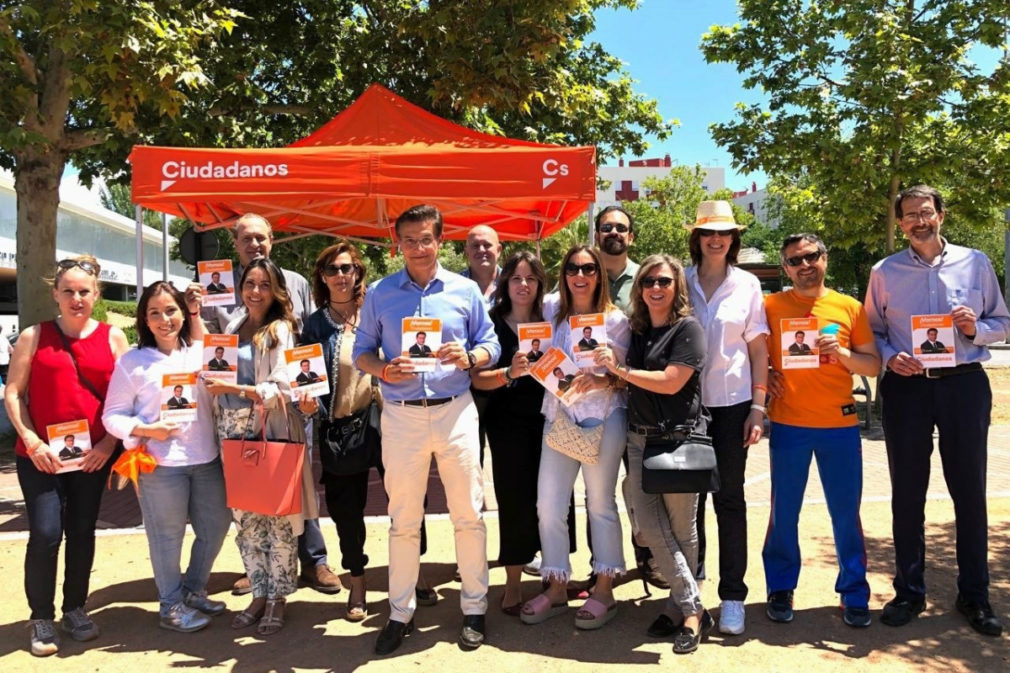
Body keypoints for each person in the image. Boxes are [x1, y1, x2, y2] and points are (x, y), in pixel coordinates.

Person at [353, 204, 500, 654]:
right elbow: (362, 352)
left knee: (468, 514)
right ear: (398, 243)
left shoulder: (465, 290)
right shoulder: (380, 293)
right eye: (410, 240)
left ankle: (474, 608)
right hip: (401, 414)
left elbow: (491, 343)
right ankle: (400, 612)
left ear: (441, 240)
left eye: (426, 239)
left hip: (455, 409)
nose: (418, 248)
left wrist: (472, 357)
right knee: (403, 519)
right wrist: (383, 369)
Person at [865, 184, 1010, 636]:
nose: (918, 221)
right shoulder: (884, 271)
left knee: (970, 493)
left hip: (964, 387)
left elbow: (1002, 322)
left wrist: (976, 328)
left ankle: (975, 595)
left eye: (925, 212)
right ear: (900, 222)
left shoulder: (977, 262)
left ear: (941, 215)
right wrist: (890, 357)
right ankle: (909, 591)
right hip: (907, 390)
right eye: (909, 215)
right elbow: (872, 332)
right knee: (907, 493)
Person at [201, 213, 339, 596]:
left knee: (291, 486)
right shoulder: (223, 289)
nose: (254, 245)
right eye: (247, 239)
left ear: (272, 239)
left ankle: (314, 561)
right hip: (237, 420)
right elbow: (216, 345)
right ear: (236, 243)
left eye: (260, 238)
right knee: (253, 498)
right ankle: (261, 571)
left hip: (284, 408)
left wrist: (311, 388)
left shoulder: (294, 283)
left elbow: (309, 335)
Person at [5, 256, 129, 656]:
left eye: (84, 291)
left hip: (92, 457)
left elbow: (125, 401)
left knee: (81, 532)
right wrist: (31, 439)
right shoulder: (33, 336)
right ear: (55, 294)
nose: (76, 298)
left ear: (96, 294)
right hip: (40, 456)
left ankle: (75, 607)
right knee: (44, 533)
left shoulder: (113, 339)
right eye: (68, 291)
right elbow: (14, 393)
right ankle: (41, 615)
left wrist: (108, 446)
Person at [763, 233, 881, 628]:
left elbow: (872, 366)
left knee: (846, 514)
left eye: (811, 256)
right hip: (788, 424)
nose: (804, 265)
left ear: (825, 259)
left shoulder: (849, 307)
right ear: (785, 268)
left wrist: (843, 355)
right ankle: (780, 587)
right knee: (784, 513)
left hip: (840, 426)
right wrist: (764, 373)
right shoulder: (770, 306)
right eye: (795, 261)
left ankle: (853, 591)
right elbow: (750, 352)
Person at [103, 280, 232, 634]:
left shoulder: (200, 351)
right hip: (161, 466)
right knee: (166, 536)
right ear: (144, 319)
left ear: (183, 311)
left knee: (216, 527)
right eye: (154, 313)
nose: (164, 319)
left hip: (207, 459)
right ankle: (170, 605)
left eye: (170, 310)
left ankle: (192, 590)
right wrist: (148, 430)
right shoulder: (133, 362)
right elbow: (111, 416)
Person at [598, 254, 711, 653]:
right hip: (639, 440)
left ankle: (686, 612)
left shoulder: (689, 329)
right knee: (650, 528)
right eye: (648, 282)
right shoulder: (639, 330)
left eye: (663, 281)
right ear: (640, 289)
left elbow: (670, 382)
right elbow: (631, 381)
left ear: (676, 286)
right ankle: (692, 603)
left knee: (683, 530)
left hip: (678, 441)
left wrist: (621, 373)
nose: (655, 288)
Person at [203, 258, 318, 636]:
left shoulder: (281, 329)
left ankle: (278, 597)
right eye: (249, 283)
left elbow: (283, 386)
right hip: (231, 434)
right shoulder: (233, 326)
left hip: (271, 431)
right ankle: (258, 590)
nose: (255, 291)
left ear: (277, 291)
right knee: (246, 521)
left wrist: (236, 390)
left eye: (264, 284)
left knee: (278, 520)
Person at [520, 244, 630, 631]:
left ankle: (604, 590)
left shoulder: (617, 321)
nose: (579, 275)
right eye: (572, 268)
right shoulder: (553, 313)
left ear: (600, 273)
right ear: (564, 274)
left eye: (588, 268)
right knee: (548, 504)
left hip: (604, 415)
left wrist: (604, 375)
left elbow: (627, 374)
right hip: (560, 416)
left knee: (600, 502)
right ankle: (556, 587)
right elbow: (522, 293)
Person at [684, 200, 769, 636]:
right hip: (685, 409)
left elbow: (757, 350)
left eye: (724, 233)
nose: (715, 239)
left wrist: (758, 406)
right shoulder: (679, 281)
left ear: (734, 240)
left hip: (733, 405)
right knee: (688, 504)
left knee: (730, 501)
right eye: (707, 233)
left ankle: (733, 595)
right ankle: (691, 595)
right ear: (697, 238)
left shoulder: (748, 285)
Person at [470, 250, 554, 616]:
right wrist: (510, 373)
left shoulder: (552, 321)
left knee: (554, 502)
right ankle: (514, 581)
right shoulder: (491, 323)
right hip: (506, 424)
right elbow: (477, 379)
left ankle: (555, 578)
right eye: (517, 278)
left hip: (550, 421)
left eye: (531, 279)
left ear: (540, 285)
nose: (524, 285)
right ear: (505, 282)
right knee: (514, 500)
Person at [594, 204, 659, 591]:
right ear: (597, 234)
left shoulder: (648, 280)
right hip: (594, 404)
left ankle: (650, 556)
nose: (613, 232)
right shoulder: (581, 276)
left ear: (631, 236)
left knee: (642, 484)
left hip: (641, 398)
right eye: (606, 227)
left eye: (620, 227)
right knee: (597, 490)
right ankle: (601, 564)